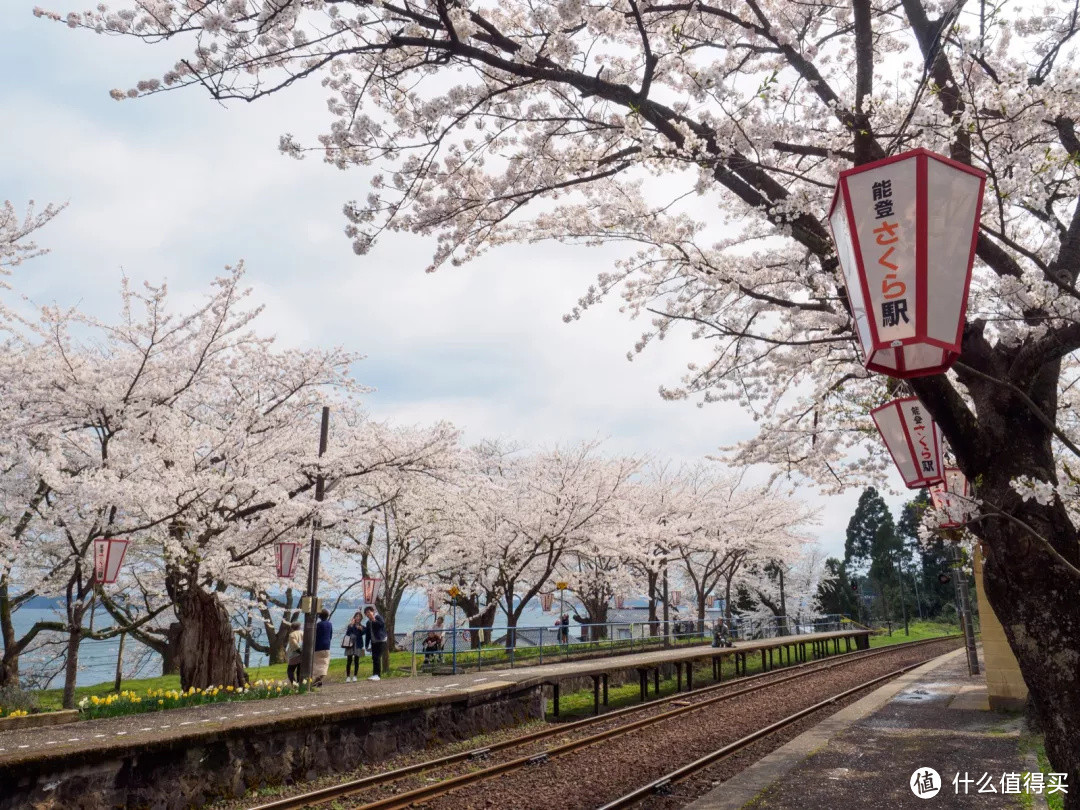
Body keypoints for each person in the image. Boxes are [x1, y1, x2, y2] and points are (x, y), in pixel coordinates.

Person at [364, 605, 388, 681]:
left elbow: (381, 625)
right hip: (374, 642)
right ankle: (375, 674)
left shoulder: (378, 617)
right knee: (374, 658)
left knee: (377, 657)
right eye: (366, 613)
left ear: (373, 611)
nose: (368, 614)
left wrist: (374, 619)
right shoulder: (368, 623)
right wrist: (366, 645)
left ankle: (377, 675)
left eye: (369, 612)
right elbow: (368, 635)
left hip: (381, 641)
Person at [343, 612, 366, 682]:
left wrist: (360, 629)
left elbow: (364, 632)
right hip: (350, 644)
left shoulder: (362, 627)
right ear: (354, 617)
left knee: (356, 661)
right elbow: (347, 634)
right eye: (356, 616)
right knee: (349, 660)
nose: (358, 618)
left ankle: (355, 676)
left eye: (359, 616)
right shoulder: (350, 625)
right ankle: (348, 677)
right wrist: (351, 625)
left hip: (358, 644)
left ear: (361, 618)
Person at [313, 608, 333, 686]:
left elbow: (315, 636)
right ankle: (320, 679)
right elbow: (330, 635)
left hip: (318, 646)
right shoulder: (330, 624)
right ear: (327, 616)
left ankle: (317, 680)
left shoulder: (318, 625)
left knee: (316, 663)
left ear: (319, 616)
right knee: (324, 663)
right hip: (327, 646)